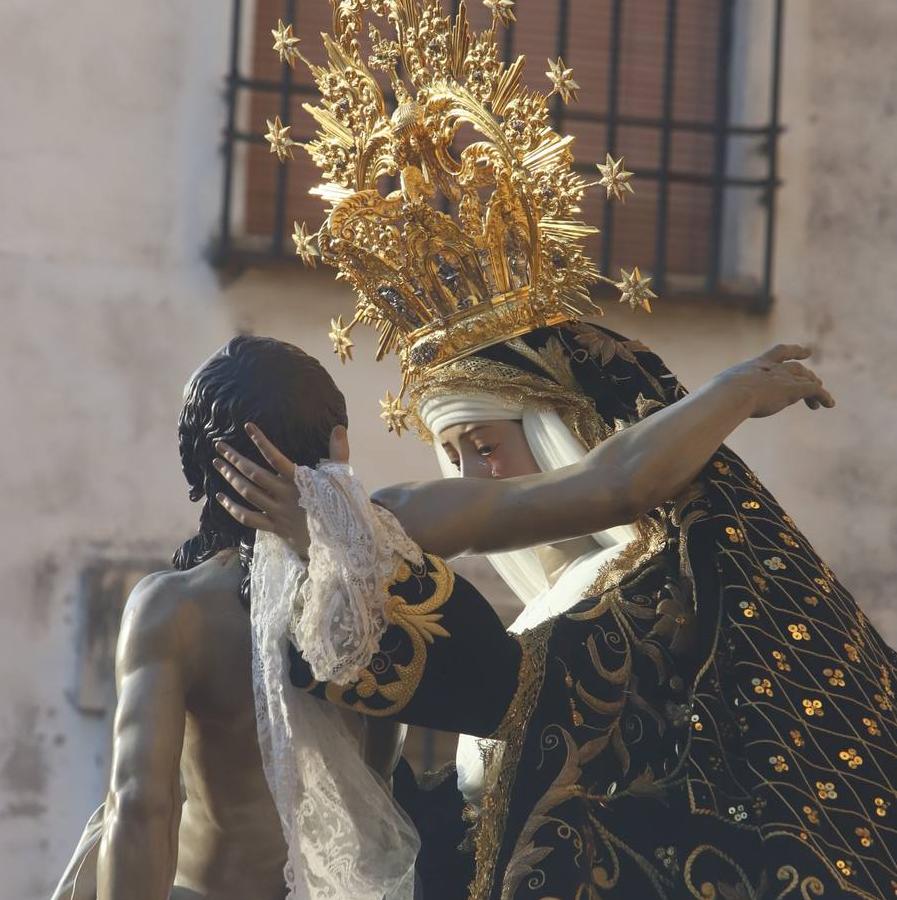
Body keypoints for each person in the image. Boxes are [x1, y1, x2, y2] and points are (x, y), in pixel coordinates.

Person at [215, 332, 895, 898]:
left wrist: (734, 393)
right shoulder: (541, 598)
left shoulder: (650, 586)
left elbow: (614, 487)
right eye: (451, 457)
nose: (472, 478)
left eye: (484, 446)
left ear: (558, 431)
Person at [52, 336, 417, 900]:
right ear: (338, 445)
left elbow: (142, 805)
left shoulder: (176, 611)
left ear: (201, 462)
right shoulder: (397, 556)